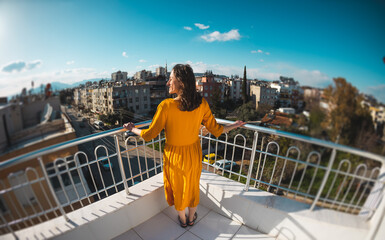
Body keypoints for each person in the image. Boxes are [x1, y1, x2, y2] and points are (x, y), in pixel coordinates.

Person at [123, 64, 245, 228]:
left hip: (175, 156)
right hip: (194, 153)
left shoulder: (166, 106)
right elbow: (216, 130)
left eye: (170, 79)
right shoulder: (201, 103)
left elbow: (149, 135)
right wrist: (235, 125)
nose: (167, 83)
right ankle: (192, 217)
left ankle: (183, 219)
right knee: (193, 186)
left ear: (180, 82)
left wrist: (133, 129)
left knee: (179, 188)